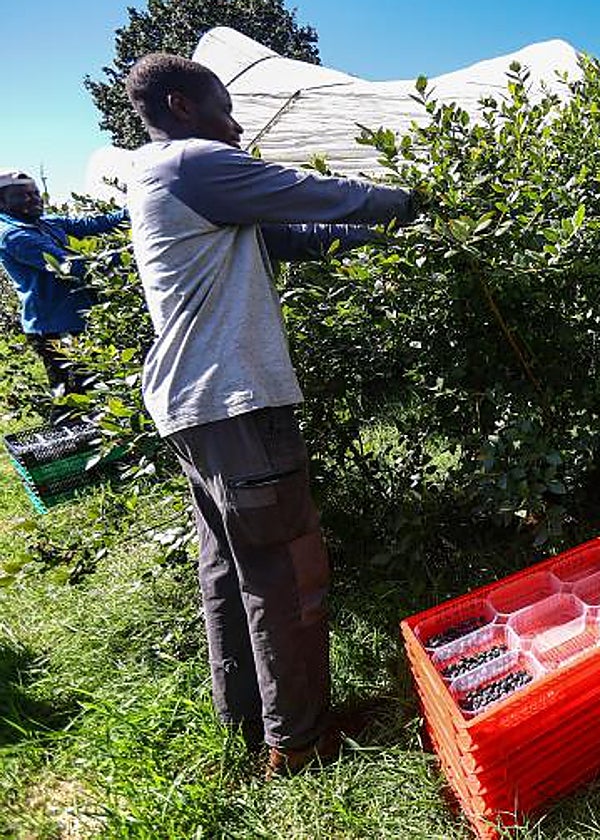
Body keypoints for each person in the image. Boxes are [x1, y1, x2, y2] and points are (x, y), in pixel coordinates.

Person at [122, 52, 421, 778]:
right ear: (183, 105)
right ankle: (301, 742)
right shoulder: (192, 162)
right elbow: (308, 192)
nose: (238, 121)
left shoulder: (173, 183)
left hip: (194, 405)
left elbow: (296, 233)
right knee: (287, 568)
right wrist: (406, 201)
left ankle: (249, 717)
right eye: (225, 106)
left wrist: (379, 234)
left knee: (230, 564)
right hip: (237, 401)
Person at [0, 171, 127, 398]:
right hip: (54, 328)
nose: (35, 199)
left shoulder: (44, 223)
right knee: (72, 395)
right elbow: (71, 267)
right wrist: (137, 251)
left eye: (35, 193)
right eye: (24, 195)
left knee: (93, 385)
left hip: (75, 318)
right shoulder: (13, 235)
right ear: (2, 202)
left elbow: (96, 224)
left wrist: (140, 207)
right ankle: (66, 431)